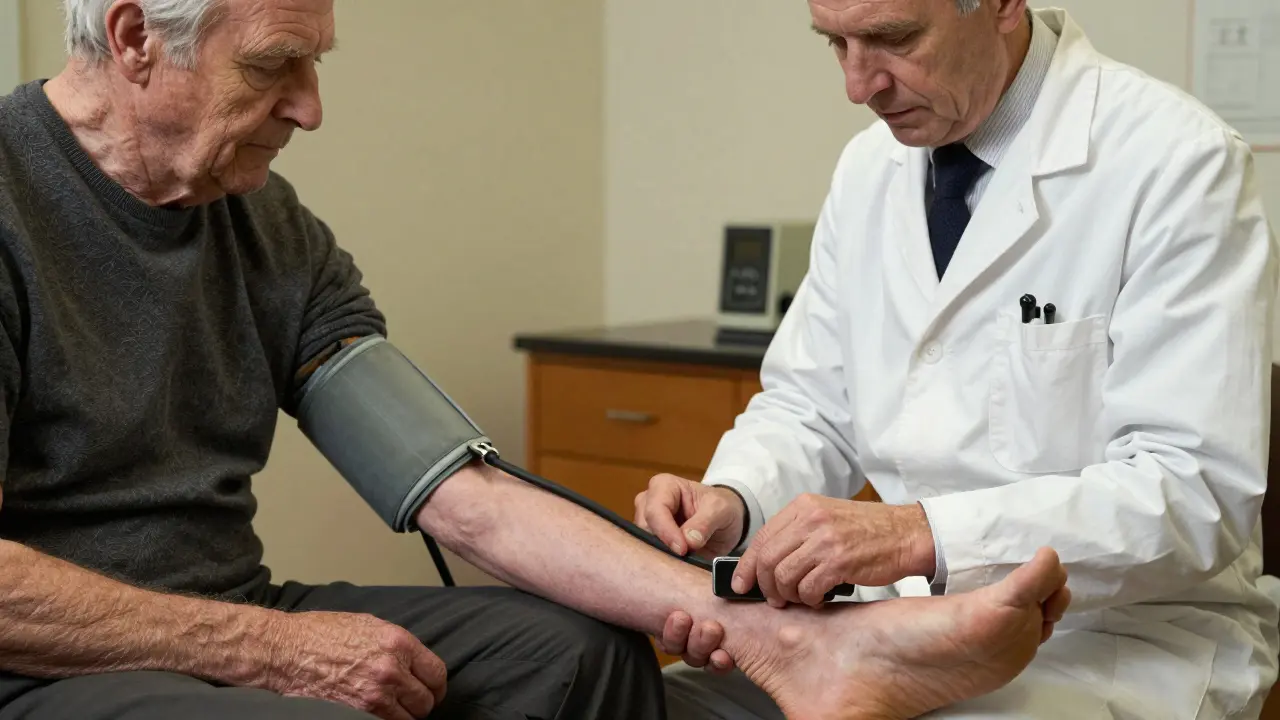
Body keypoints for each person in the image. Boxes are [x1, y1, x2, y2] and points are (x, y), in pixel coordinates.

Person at [0, 0, 1077, 719]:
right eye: (274, 64)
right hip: (45, 661)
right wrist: (270, 653)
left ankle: (817, 655)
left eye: (314, 64)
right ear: (135, 38)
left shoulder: (267, 227)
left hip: (235, 601)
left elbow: (463, 498)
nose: (311, 109)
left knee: (582, 654)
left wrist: (743, 625)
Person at [639, 0, 1280, 718]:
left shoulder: (1176, 160)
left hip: (1110, 641)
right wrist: (736, 502)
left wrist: (919, 535)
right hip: (890, 623)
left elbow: (1193, 493)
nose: (858, 86)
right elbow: (811, 408)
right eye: (837, 43)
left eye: (893, 38)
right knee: (640, 702)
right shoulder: (869, 170)